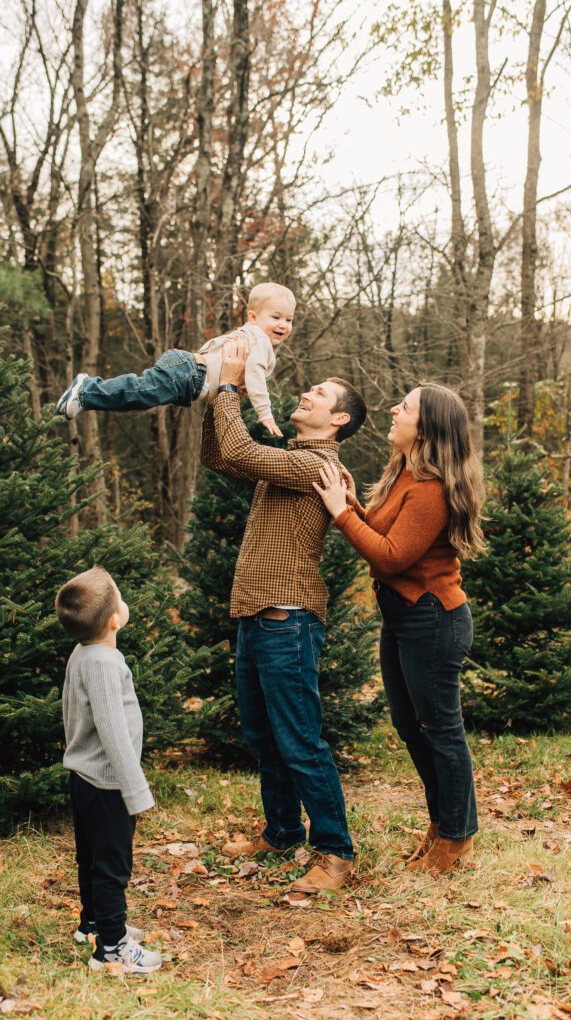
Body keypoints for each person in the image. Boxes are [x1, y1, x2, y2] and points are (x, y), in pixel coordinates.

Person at [201, 338, 367, 893]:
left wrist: (230, 386)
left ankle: (335, 852)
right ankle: (281, 832)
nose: (305, 392)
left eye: (318, 394)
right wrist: (213, 395)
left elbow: (243, 453)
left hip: (288, 621)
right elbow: (221, 455)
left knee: (299, 739)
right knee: (263, 735)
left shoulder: (314, 465)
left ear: (337, 419)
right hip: (258, 618)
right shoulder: (291, 461)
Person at [313, 383, 485, 876]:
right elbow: (390, 538)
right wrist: (353, 504)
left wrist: (341, 513)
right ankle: (444, 821)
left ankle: (457, 838)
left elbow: (391, 556)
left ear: (426, 426)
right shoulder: (406, 474)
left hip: (432, 620)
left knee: (441, 731)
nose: (393, 409)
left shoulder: (431, 489)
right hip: (404, 615)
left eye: (404, 407)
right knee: (412, 728)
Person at [55, 566, 163, 973]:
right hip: (107, 784)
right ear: (115, 619)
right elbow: (114, 733)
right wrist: (134, 790)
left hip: (85, 778)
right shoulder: (102, 663)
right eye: (118, 596)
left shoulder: (85, 652)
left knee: (91, 858)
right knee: (111, 866)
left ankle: (94, 923)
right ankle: (113, 949)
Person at [54, 282, 295, 437]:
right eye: (276, 317)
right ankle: (87, 390)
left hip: (188, 374)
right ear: (253, 317)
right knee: (141, 391)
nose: (283, 325)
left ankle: (88, 396)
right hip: (188, 373)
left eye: (289, 320)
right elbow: (254, 374)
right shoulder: (259, 340)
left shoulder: (250, 336)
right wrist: (265, 414)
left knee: (141, 396)